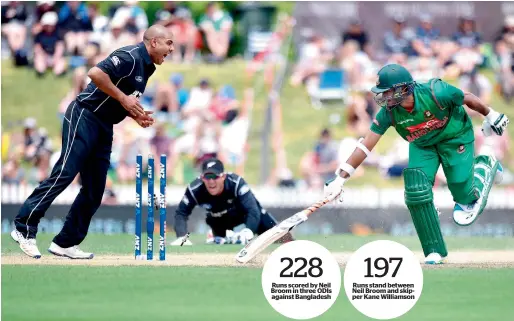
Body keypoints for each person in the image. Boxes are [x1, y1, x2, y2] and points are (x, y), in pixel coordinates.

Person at [11, 24, 174, 259]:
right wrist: (124, 100)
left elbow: (121, 99)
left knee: (95, 188)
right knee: (64, 173)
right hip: (84, 115)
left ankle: (65, 243)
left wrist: (135, 114)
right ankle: (23, 227)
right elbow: (95, 74)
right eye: (169, 43)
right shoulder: (129, 56)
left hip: (104, 125)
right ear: (154, 42)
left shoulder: (148, 67)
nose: (171, 49)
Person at [324, 64, 509, 265]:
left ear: (403, 89)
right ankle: (434, 250)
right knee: (415, 190)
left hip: (454, 136)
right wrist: (340, 178)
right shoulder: (389, 113)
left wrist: (491, 115)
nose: (383, 98)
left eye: (387, 92)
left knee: (464, 197)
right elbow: (366, 145)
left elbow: (468, 98)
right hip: (422, 145)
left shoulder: (435, 91)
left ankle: (486, 164)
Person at [171, 158, 293, 246]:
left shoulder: (236, 183)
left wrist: (248, 231)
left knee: (282, 237)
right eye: (207, 177)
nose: (211, 181)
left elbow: (252, 209)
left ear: (223, 176)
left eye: (215, 177)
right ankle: (220, 237)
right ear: (202, 178)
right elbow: (181, 213)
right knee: (215, 225)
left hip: (247, 216)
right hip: (220, 221)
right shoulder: (194, 189)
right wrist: (182, 237)